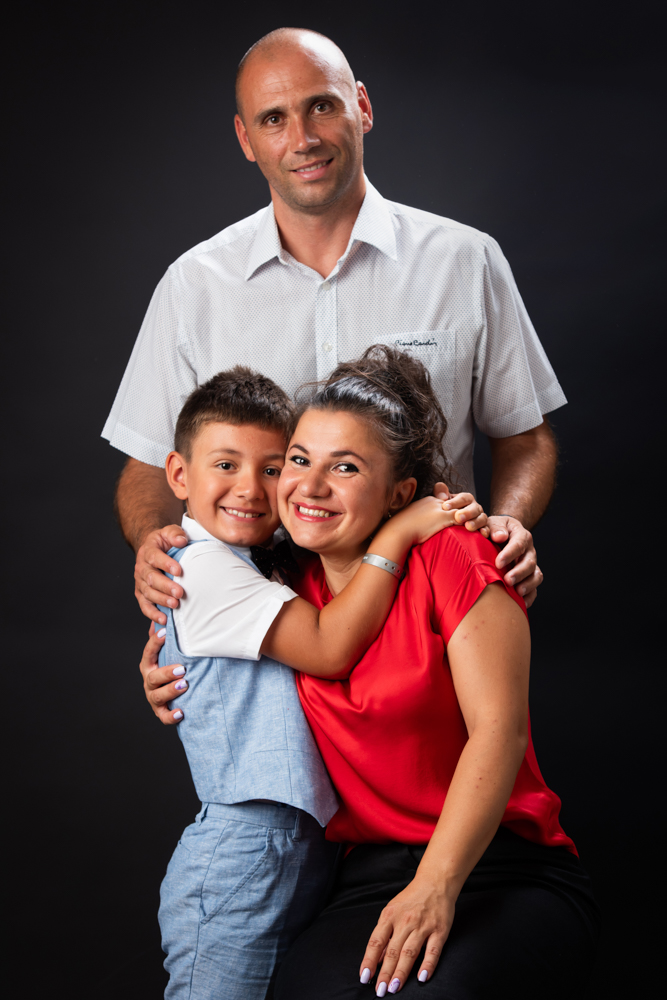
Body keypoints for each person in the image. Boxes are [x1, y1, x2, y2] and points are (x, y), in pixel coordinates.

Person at [144, 346, 599, 999]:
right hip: (362, 876)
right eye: (298, 459)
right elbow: (215, 625)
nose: (309, 486)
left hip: (498, 864)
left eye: (345, 467)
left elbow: (499, 731)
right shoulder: (281, 583)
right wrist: (165, 657)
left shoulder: (453, 552)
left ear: (400, 494)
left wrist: (435, 886)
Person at [103, 27, 562, 625]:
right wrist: (155, 549)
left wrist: (508, 524)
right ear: (246, 138)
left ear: (362, 107)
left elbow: (525, 438)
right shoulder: (193, 285)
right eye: (273, 119)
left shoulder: (465, 261)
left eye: (321, 106)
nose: (303, 139)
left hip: (437, 609)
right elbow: (147, 466)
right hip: (263, 618)